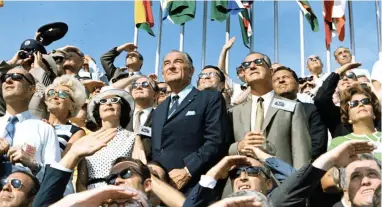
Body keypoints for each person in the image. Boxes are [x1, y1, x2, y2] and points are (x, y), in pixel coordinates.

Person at [184, 141, 376, 207]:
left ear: (269, 184)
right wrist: (215, 172)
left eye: (251, 171)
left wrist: (264, 157)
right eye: (236, 174)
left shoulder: (278, 201)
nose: (242, 177)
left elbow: (295, 182)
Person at [151, 50, 231, 195]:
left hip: (196, 186)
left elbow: (216, 140)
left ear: (191, 71)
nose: (171, 66)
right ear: (163, 73)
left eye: (178, 62)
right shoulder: (158, 110)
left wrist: (188, 170)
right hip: (161, 189)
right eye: (167, 63)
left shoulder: (209, 98)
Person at [229, 52, 311, 169]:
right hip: (243, 181)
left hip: (281, 182)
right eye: (246, 65)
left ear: (271, 72)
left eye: (258, 62)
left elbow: (301, 154)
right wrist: (239, 147)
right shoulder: (234, 112)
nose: (252, 66)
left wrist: (298, 184)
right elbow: (221, 149)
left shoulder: (292, 107)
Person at [76, 87, 145, 190]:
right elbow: (81, 182)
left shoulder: (133, 137)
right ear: (98, 110)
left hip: (121, 194)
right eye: (103, 101)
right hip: (93, 196)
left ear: (122, 109)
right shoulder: (88, 139)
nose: (108, 104)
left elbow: (140, 172)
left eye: (114, 100)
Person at [0, 67, 60, 178]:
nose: (8, 81)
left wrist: (34, 165)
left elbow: (55, 178)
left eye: (17, 77)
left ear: (31, 89)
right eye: (5, 77)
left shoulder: (44, 129)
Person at [272, 66, 328, 159]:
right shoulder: (265, 111)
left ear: (298, 85)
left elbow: (318, 145)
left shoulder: (311, 109)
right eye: (276, 79)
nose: (281, 80)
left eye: (286, 77)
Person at [329, 84, 381, 161]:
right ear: (348, 116)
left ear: (374, 112)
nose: (361, 104)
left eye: (365, 101)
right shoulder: (338, 143)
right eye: (354, 104)